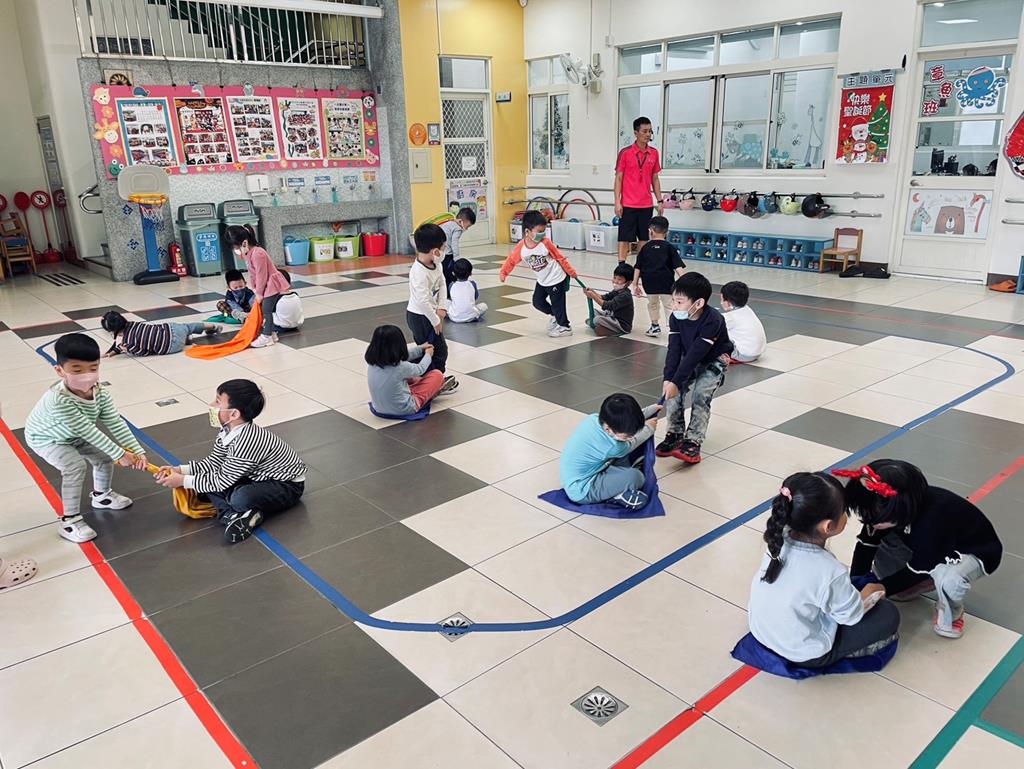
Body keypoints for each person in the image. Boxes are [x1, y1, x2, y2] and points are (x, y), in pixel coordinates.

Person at [748, 471, 900, 669]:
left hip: (762, 632)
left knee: (842, 590)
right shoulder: (830, 571)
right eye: (844, 511)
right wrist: (872, 593)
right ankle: (839, 653)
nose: (846, 515)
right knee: (888, 614)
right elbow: (851, 616)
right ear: (828, 526)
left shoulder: (777, 539)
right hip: (803, 653)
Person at [838, 460, 1003, 639]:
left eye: (876, 518)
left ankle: (953, 611)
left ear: (898, 510)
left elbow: (924, 561)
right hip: (928, 543)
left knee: (949, 580)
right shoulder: (885, 507)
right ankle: (923, 578)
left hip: (972, 551)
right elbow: (867, 543)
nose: (870, 522)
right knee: (884, 543)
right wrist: (856, 583)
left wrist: (884, 586)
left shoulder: (932, 520)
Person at [24, 333, 147, 543]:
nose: (87, 376)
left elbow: (115, 422)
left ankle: (101, 496)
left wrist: (136, 451)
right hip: (47, 438)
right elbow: (88, 431)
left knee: (104, 459)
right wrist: (120, 454)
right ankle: (69, 521)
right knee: (75, 466)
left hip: (73, 435)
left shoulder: (101, 392)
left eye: (93, 368)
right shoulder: (58, 400)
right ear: (60, 370)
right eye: (77, 370)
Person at [155, 379, 307, 544]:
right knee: (206, 484)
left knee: (239, 498)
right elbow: (213, 463)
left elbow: (221, 480)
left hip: (286, 485)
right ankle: (238, 515)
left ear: (234, 414)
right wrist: (181, 470)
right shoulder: (228, 430)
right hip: (255, 477)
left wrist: (183, 481)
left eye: (217, 401)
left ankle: (231, 514)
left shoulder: (247, 441)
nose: (211, 405)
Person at [656, 272, 733, 465]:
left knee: (700, 394)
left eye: (679, 302)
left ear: (698, 303)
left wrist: (676, 381)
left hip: (713, 359)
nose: (674, 306)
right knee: (673, 391)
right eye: (673, 300)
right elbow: (674, 350)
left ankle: (693, 441)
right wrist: (669, 379)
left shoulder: (713, 320)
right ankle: (674, 433)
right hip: (689, 355)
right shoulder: (676, 318)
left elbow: (696, 354)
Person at [560, 393, 662, 510]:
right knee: (637, 477)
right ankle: (616, 496)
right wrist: (649, 428)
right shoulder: (614, 447)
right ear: (608, 429)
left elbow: (627, 420)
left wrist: (649, 410)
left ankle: (615, 484)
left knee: (623, 455)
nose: (630, 437)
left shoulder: (593, 419)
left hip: (582, 473)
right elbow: (633, 442)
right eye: (627, 436)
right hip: (582, 490)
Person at [498, 210, 579, 338]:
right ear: (527, 231)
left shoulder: (545, 243)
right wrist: (504, 272)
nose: (542, 234)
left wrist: (570, 271)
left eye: (544, 231)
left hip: (556, 278)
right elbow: (512, 260)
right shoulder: (521, 247)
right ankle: (555, 315)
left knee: (558, 304)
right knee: (537, 302)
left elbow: (559, 257)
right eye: (539, 231)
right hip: (542, 279)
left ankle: (565, 327)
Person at [407, 224, 458, 392]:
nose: (444, 251)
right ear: (435, 251)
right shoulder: (419, 273)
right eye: (443, 248)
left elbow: (442, 283)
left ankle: (430, 379)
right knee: (435, 350)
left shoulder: (436, 264)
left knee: (437, 349)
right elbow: (422, 302)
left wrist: (442, 306)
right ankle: (432, 382)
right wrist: (435, 320)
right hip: (419, 317)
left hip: (431, 314)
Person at [223, 224, 290, 348]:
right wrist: (255, 288)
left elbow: (261, 275)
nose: (236, 250)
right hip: (264, 285)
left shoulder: (258, 254)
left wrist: (258, 293)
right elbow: (252, 274)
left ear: (244, 243)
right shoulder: (249, 253)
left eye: (236, 247)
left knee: (266, 310)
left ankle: (266, 336)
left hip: (270, 285)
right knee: (267, 310)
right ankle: (272, 333)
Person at [365, 324, 457, 415]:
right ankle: (436, 388)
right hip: (405, 408)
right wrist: (428, 355)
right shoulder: (400, 367)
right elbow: (421, 368)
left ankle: (423, 385)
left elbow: (403, 356)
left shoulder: (373, 363)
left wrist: (420, 348)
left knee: (410, 379)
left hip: (379, 408)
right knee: (437, 375)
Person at [614, 116, 664, 264]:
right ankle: (621, 266)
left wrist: (660, 201)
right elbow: (618, 179)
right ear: (636, 133)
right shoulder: (625, 153)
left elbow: (655, 179)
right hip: (628, 204)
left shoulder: (654, 153)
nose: (648, 134)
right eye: (644, 131)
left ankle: (639, 266)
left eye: (650, 131)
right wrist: (617, 202)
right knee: (624, 238)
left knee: (644, 238)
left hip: (646, 204)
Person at [633, 216, 685, 336]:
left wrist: (635, 284)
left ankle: (655, 326)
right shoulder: (669, 248)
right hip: (666, 283)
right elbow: (678, 267)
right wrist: (685, 281)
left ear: (650, 231)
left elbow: (638, 267)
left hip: (649, 283)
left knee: (653, 304)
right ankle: (673, 329)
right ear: (667, 232)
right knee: (669, 306)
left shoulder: (645, 248)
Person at [100, 311, 220, 357]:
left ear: (113, 332)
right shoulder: (134, 324)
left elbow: (144, 352)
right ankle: (212, 326)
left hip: (172, 347)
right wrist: (117, 350)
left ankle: (186, 340)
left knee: (154, 343)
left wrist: (125, 350)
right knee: (188, 327)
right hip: (174, 331)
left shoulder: (128, 343)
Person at [720, 281, 766, 363]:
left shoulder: (730, 317)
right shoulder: (747, 309)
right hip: (757, 353)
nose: (721, 302)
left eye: (722, 299)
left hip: (743, 355)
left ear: (728, 303)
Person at [585, 263, 636, 336]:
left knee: (597, 319)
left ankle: (612, 330)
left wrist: (593, 296)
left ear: (628, 282)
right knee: (594, 311)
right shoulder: (617, 291)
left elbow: (607, 306)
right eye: (614, 278)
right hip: (612, 316)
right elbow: (604, 297)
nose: (615, 281)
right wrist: (593, 292)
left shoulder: (625, 295)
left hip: (621, 324)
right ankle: (603, 326)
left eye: (619, 279)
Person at [440, 207, 477, 291]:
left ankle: (444, 291)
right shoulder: (457, 228)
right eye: (468, 226)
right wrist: (457, 259)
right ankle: (452, 291)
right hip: (448, 255)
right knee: (451, 275)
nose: (467, 228)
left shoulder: (448, 223)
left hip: (441, 253)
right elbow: (454, 244)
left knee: (444, 275)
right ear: (463, 221)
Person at [448, 258, 488, 323]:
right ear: (470, 273)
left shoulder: (451, 285)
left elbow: (452, 298)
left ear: (453, 273)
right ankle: (471, 314)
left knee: (446, 302)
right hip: (472, 316)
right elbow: (476, 297)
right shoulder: (473, 284)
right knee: (484, 305)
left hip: (454, 317)